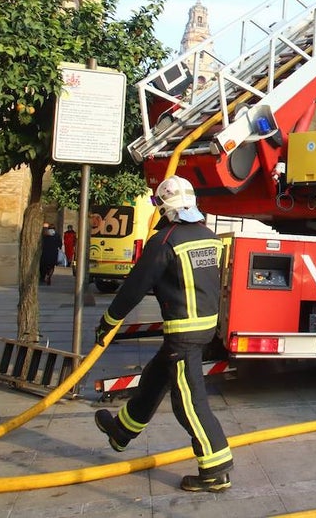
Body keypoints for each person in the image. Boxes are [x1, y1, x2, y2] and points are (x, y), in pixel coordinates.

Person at [92, 176, 234, 493]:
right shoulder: (210, 238)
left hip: (183, 334)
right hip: (202, 328)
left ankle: (215, 469)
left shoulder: (165, 241)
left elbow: (134, 288)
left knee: (189, 403)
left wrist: (108, 321)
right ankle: (121, 431)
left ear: (163, 207)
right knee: (155, 378)